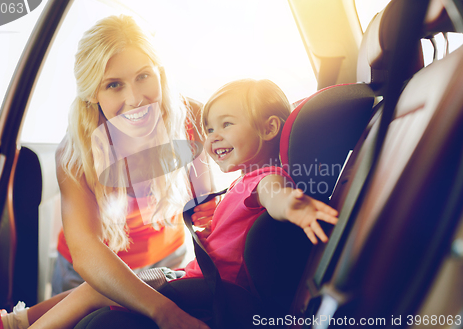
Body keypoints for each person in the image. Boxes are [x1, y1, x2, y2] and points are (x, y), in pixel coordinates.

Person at [0, 14, 215, 329]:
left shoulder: (191, 118)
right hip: (90, 274)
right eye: (113, 85)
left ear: (160, 75)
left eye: (143, 76)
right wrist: (165, 311)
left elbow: (206, 213)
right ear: (93, 94)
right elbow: (87, 252)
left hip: (169, 259)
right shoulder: (75, 152)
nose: (135, 99)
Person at [22, 78, 339, 329]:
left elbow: (275, 193)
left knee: (98, 289)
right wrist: (218, 215)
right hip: (195, 279)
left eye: (227, 125)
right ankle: (14, 322)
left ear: (269, 128)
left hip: (211, 290)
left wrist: (293, 206)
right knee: (115, 285)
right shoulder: (243, 183)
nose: (213, 137)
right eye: (210, 128)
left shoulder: (265, 178)